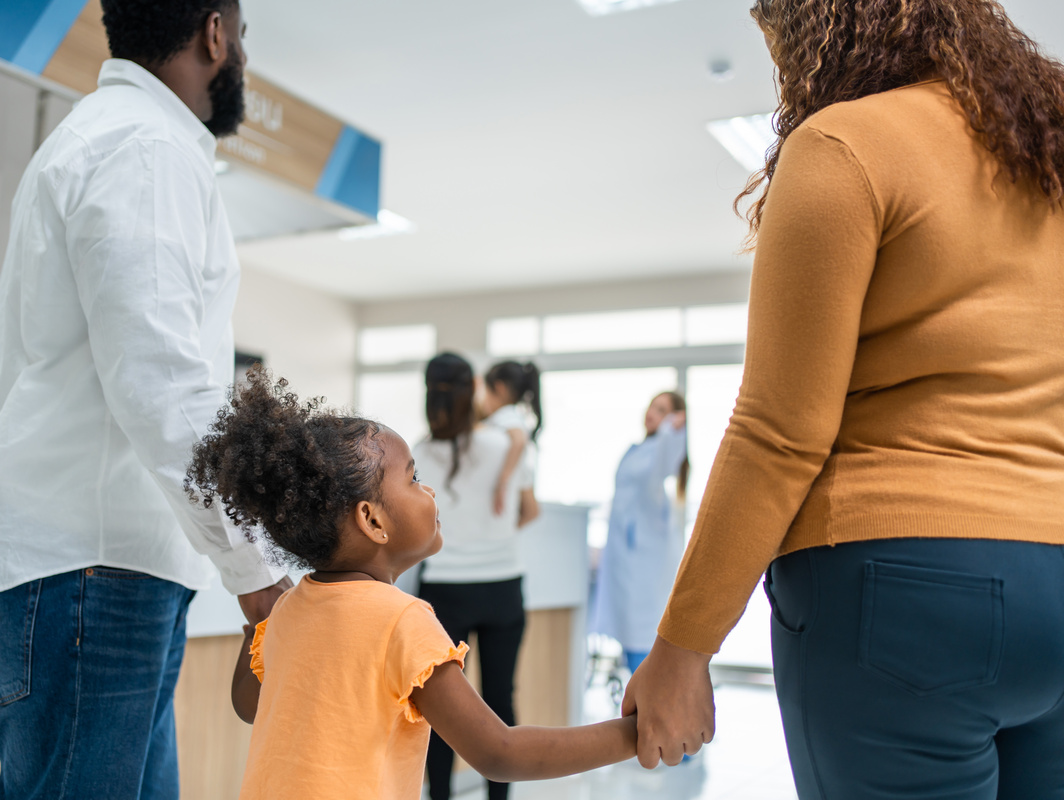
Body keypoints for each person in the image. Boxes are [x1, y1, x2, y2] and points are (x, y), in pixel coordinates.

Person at [622, 1, 1064, 797]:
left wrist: (682, 650)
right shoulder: (1049, 152)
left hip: (898, 588)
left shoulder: (845, 143)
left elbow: (781, 433)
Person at [0, 2, 291, 797]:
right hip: (88, 568)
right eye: (242, 35)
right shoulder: (145, 147)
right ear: (215, 34)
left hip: (104, 564)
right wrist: (256, 573)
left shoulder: (125, 138)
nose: (242, 52)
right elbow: (162, 381)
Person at [183, 367, 638, 799]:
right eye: (414, 478)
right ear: (373, 520)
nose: (430, 490)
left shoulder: (286, 610)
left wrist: (255, 634)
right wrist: (636, 734)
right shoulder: (403, 621)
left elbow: (247, 705)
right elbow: (499, 752)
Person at [413, 353, 541, 800]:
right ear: (475, 391)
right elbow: (529, 510)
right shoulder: (508, 444)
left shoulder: (416, 452)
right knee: (500, 702)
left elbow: (414, 531)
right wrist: (494, 534)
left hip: (444, 589)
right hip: (503, 584)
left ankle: (441, 795)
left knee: (440, 710)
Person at [591, 391, 688, 675]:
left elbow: (667, 458)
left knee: (641, 631)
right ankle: (636, 708)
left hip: (643, 559)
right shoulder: (637, 449)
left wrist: (674, 431)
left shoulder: (661, 450)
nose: (651, 412)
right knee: (627, 627)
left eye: (661, 409)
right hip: (623, 555)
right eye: (651, 406)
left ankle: (645, 711)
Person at [478, 361, 543, 516]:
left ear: (499, 388)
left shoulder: (506, 413)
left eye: (485, 391)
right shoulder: (514, 414)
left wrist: (502, 483)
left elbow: (519, 439)